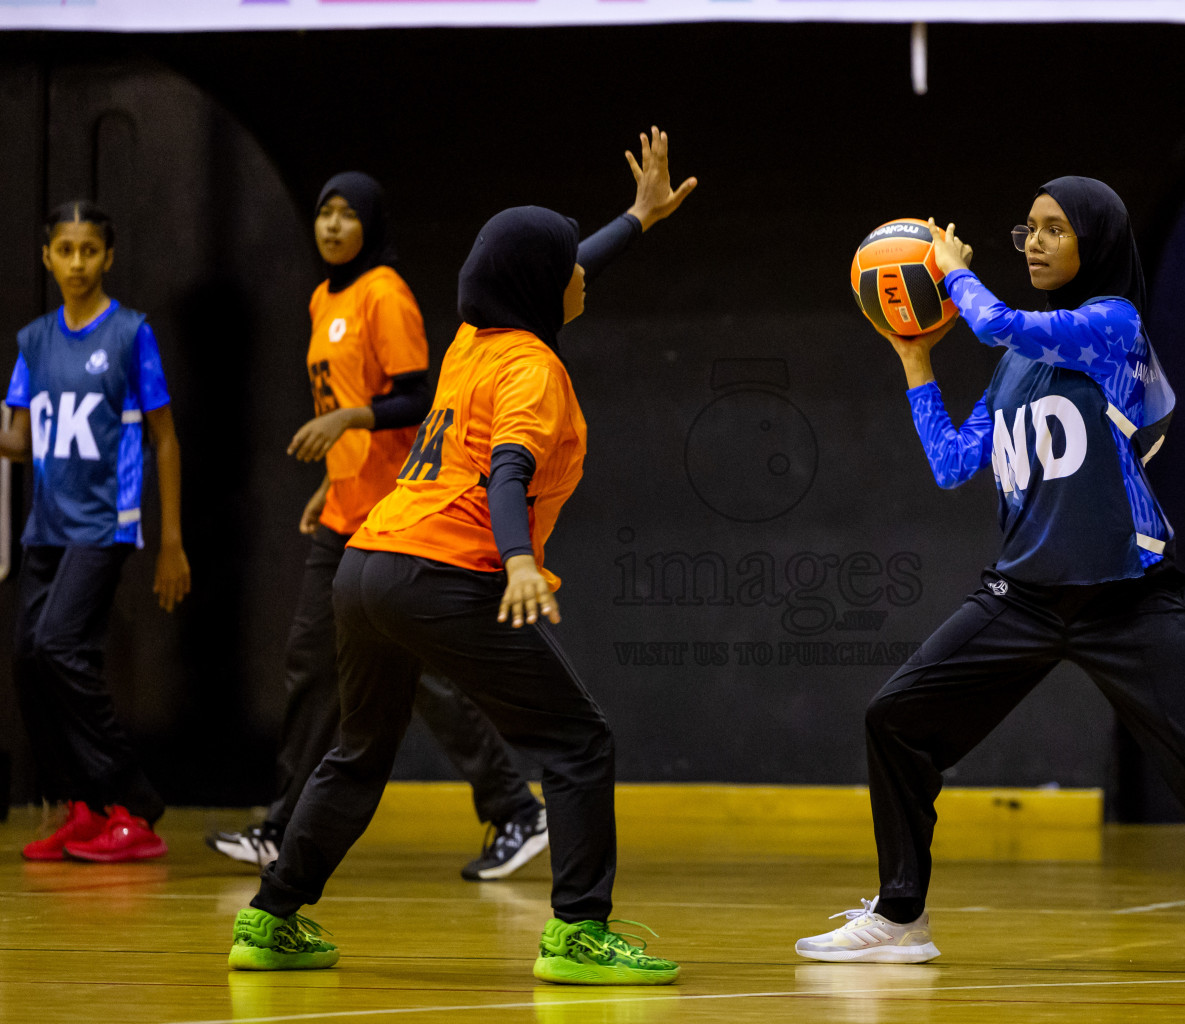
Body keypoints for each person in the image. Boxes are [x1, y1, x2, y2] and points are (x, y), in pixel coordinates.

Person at [795, 177, 1185, 974]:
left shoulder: (1112, 326)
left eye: (1055, 229)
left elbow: (995, 319)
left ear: (1098, 242)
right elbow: (951, 464)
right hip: (1023, 597)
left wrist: (949, 270)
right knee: (895, 718)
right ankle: (902, 917)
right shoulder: (1018, 360)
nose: (1037, 242)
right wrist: (915, 361)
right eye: (1030, 230)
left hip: (1127, 596)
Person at [226, 129, 696, 984]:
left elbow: (551, 262)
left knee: (358, 753)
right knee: (581, 742)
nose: (582, 273)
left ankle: (268, 918)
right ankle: (579, 933)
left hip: (364, 565)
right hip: (442, 569)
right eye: (571, 267)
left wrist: (637, 217)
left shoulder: (473, 341)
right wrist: (518, 560)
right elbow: (508, 470)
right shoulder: (532, 372)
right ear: (545, 288)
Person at [205, 172, 550, 881]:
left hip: (393, 518)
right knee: (312, 665)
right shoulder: (321, 297)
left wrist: (348, 420)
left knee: (420, 678)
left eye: (345, 214)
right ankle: (282, 825)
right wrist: (331, 479)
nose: (331, 225)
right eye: (323, 211)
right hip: (343, 511)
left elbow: (412, 400)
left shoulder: (384, 292)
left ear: (369, 223)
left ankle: (516, 808)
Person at [1, 200, 192, 863]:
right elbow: (20, 439)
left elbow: (164, 439)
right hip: (46, 526)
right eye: (65, 249)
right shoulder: (33, 341)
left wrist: (170, 541)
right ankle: (83, 806)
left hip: (105, 522)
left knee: (59, 647)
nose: (77, 262)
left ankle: (133, 803)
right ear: (47, 256)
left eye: (89, 250)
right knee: (29, 658)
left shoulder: (131, 334)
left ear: (107, 257)